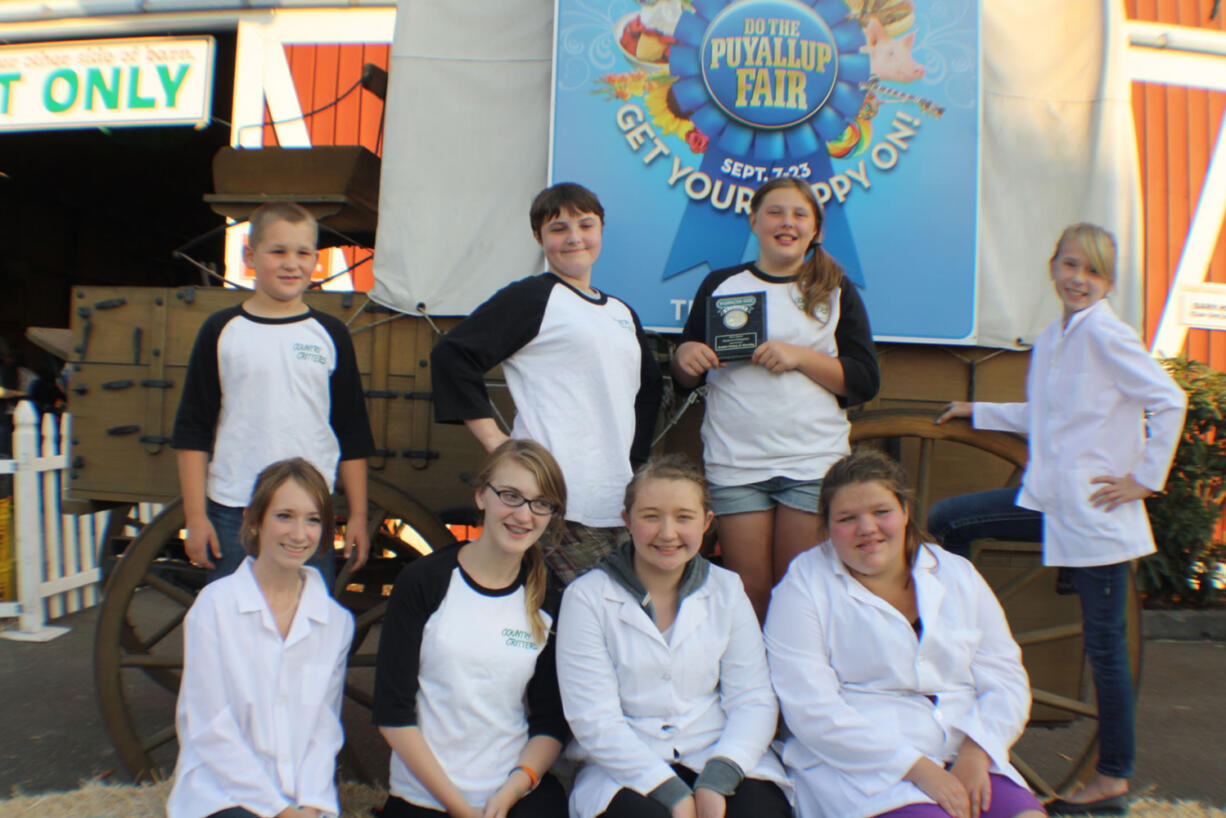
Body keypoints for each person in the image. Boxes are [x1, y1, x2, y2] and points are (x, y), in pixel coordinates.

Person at [928, 223, 1187, 816]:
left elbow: (1170, 398)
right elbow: (1046, 412)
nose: (1078, 279)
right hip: (1049, 505)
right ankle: (954, 619)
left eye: (1092, 272)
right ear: (1053, 268)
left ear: (1108, 282)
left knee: (1105, 648)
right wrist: (978, 409)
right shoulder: (1054, 337)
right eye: (1070, 266)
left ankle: (1114, 774)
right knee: (952, 519)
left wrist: (1146, 478)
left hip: (1096, 516)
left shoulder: (1106, 336)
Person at [764, 450, 1044, 818]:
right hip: (864, 764)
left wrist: (977, 752)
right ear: (828, 527)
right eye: (847, 518)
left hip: (965, 748)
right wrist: (919, 770)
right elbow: (810, 708)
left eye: (881, 512)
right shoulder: (803, 586)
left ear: (905, 511)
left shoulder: (956, 574)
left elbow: (1006, 677)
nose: (867, 528)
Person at [430, 182, 663, 584]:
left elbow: (647, 391)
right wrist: (497, 443)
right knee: (563, 619)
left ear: (601, 232)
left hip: (615, 501)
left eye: (585, 225)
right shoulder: (534, 297)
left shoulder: (623, 312)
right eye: (558, 229)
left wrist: (633, 464)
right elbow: (453, 355)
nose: (574, 237)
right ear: (539, 238)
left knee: (604, 620)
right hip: (551, 501)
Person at [672, 176, 880, 621]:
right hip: (737, 463)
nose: (787, 223)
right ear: (753, 221)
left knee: (797, 594)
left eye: (800, 214)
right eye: (775, 212)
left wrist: (799, 357)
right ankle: (753, 689)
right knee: (750, 594)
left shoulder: (835, 289)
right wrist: (685, 356)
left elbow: (864, 380)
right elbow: (686, 372)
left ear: (816, 230)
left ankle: (796, 688)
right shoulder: (720, 285)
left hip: (810, 461)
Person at [556, 454, 791, 818]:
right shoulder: (586, 597)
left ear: (707, 522)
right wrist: (672, 794)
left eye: (684, 517)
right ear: (627, 521)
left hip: (715, 749)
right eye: (651, 516)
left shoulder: (727, 590)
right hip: (627, 763)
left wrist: (718, 778)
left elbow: (753, 698)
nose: (668, 533)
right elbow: (593, 718)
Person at [172, 202, 375, 589]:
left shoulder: (330, 333)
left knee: (307, 625)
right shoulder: (222, 330)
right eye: (278, 251)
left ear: (316, 259)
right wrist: (196, 517)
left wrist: (359, 516)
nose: (291, 264)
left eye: (303, 253)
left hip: (308, 512)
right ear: (250, 257)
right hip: (236, 508)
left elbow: (351, 431)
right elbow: (193, 429)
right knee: (235, 623)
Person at [373, 439, 570, 818]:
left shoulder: (548, 598)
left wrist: (510, 792)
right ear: (480, 496)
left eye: (540, 503)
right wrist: (461, 809)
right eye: (510, 496)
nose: (524, 515)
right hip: (427, 796)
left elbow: (550, 723)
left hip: (511, 794)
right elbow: (392, 714)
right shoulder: (423, 582)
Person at [168, 458, 354, 818]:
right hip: (224, 792)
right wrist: (279, 811)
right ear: (254, 522)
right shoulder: (215, 607)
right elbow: (209, 726)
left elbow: (323, 728)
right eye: (284, 516)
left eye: (312, 519)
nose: (299, 534)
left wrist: (312, 806)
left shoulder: (335, 621)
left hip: (300, 795)